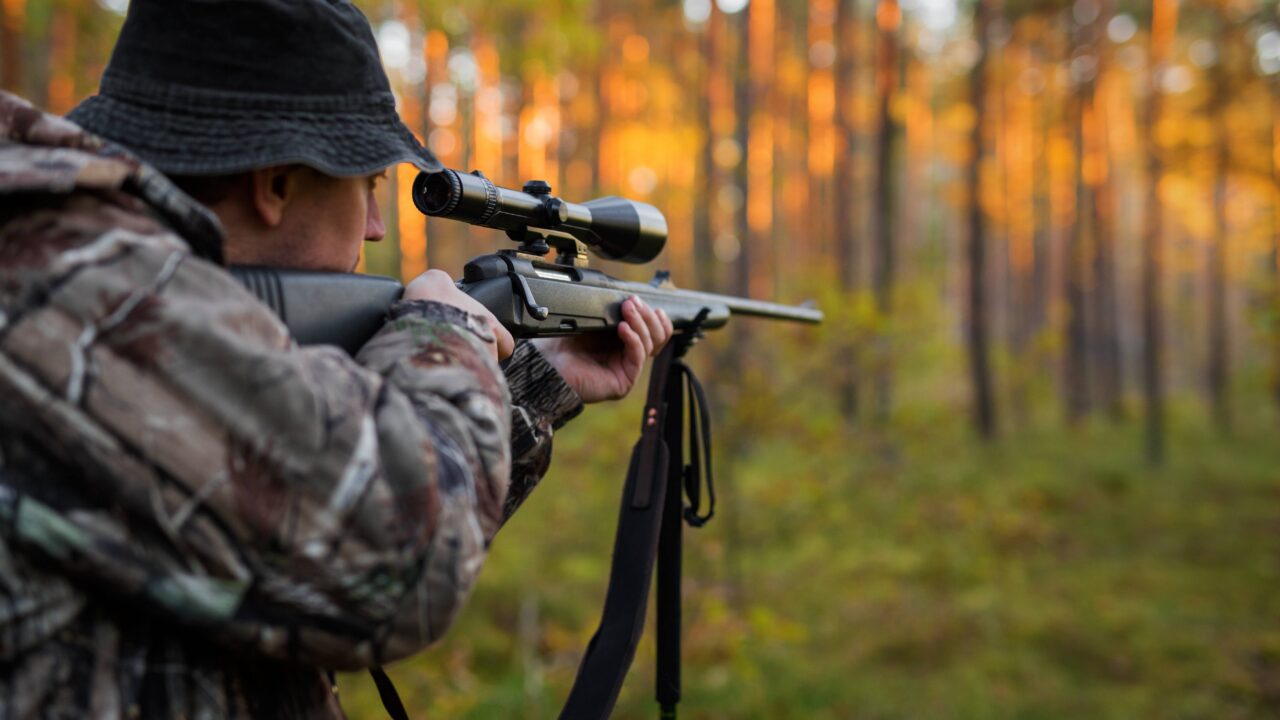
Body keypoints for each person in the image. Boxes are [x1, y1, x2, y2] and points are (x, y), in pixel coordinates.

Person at [0, 0, 671, 717]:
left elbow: (294, 543)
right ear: (279, 185)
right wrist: (445, 333)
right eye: (370, 187)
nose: (377, 228)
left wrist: (530, 389)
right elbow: (392, 566)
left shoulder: (76, 277)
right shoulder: (80, 290)